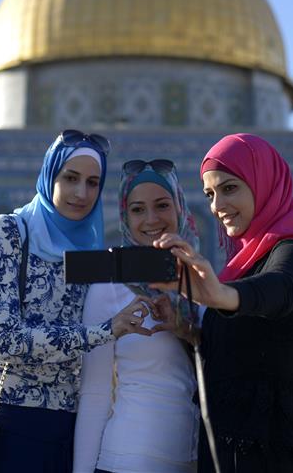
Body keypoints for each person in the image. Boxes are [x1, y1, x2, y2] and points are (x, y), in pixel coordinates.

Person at [0, 130, 158, 473]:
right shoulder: (8, 232)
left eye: (93, 182)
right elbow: (5, 341)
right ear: (49, 174)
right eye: (70, 178)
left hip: (65, 424)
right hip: (5, 417)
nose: (81, 193)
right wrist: (105, 331)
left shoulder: (89, 250)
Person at [152, 133, 293, 472]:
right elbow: (237, 355)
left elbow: (279, 290)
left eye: (230, 188)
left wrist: (221, 295)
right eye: (210, 194)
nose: (217, 206)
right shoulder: (240, 265)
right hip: (225, 447)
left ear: (263, 183)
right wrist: (186, 331)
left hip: (265, 453)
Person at [74, 158, 201, 472]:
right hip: (131, 458)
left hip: (195, 459)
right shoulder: (110, 288)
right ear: (124, 216)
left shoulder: (202, 280)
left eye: (162, 205)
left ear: (179, 207)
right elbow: (96, 392)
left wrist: (188, 329)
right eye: (137, 210)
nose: (151, 219)